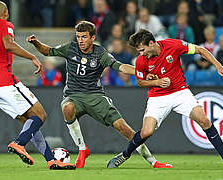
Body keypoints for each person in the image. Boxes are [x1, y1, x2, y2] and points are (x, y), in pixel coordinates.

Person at [27, 21, 173, 169]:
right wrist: (36, 43)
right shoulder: (70, 48)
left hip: (95, 96)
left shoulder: (100, 54)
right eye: (78, 37)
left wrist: (144, 72)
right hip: (73, 95)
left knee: (125, 129)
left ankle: (153, 162)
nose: (80, 41)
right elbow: (48, 51)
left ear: (92, 37)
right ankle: (82, 149)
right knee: (67, 108)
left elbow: (121, 67)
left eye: (84, 37)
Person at [0, 1, 75, 170]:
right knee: (40, 116)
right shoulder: (5, 25)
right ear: (5, 13)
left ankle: (51, 160)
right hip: (5, 83)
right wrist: (32, 57)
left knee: (29, 123)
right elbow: (8, 44)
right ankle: (19, 143)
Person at [107, 29, 223, 169]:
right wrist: (156, 82)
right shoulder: (141, 60)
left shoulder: (173, 45)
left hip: (180, 92)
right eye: (139, 51)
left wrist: (218, 66)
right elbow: (141, 82)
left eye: (142, 50)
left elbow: (201, 50)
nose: (140, 54)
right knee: (146, 132)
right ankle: (124, 155)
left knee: (204, 120)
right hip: (158, 97)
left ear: (152, 43)